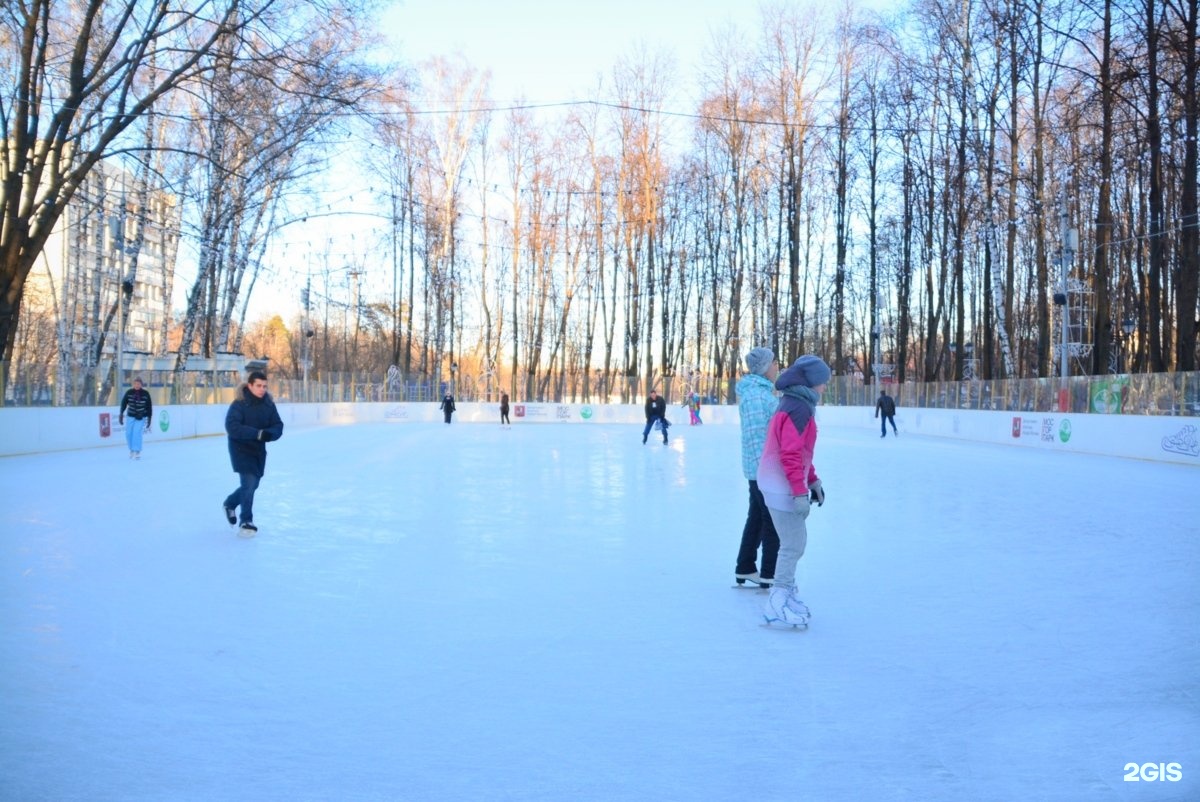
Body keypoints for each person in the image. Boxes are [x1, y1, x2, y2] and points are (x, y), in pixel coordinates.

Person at [757, 355, 831, 627]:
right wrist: (800, 492)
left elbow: (801, 454)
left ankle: (785, 595)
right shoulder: (798, 408)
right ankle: (777, 601)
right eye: (822, 382)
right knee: (793, 545)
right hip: (781, 486)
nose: (824, 388)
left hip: (780, 483)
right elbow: (789, 455)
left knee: (793, 544)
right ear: (810, 382)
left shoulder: (794, 403)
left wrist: (813, 480)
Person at [734, 348, 780, 587]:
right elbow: (755, 436)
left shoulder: (761, 392)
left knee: (757, 518)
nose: (777, 367)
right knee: (771, 519)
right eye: (774, 363)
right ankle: (769, 574)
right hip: (762, 469)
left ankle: (745, 566)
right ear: (764, 367)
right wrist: (768, 468)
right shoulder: (755, 395)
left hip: (759, 468)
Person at [222, 371, 284, 536]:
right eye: (258, 386)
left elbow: (278, 425)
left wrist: (269, 434)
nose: (262, 389)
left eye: (264, 386)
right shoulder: (239, 404)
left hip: (258, 451)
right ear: (249, 386)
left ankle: (230, 503)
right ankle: (246, 521)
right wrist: (256, 433)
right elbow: (232, 427)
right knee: (249, 484)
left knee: (252, 485)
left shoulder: (268, 405)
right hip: (240, 449)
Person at [117, 377, 153, 459]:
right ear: (133, 384)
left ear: (141, 384)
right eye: (135, 384)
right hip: (131, 415)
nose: (137, 385)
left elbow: (149, 406)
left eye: (139, 384)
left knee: (137, 432)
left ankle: (137, 451)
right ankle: (131, 450)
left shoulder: (146, 393)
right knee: (128, 433)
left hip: (141, 416)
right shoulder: (129, 392)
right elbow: (123, 403)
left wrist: (149, 418)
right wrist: (121, 414)